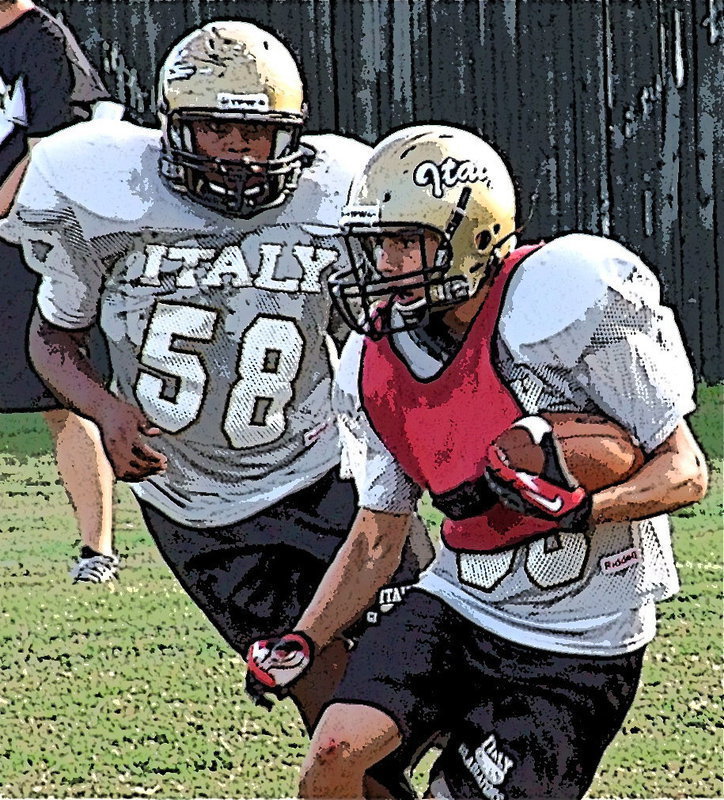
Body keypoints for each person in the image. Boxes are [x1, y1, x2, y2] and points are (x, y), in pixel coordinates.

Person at [1, 20, 431, 797]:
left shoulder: (340, 193)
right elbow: (52, 335)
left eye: (256, 132)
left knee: (436, 670)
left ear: (291, 134)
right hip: (198, 508)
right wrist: (105, 410)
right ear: (173, 127)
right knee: (329, 704)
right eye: (214, 128)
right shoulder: (106, 190)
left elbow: (382, 340)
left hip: (326, 470)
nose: (236, 150)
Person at [245, 124, 709, 799]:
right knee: (338, 748)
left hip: (578, 642)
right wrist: (305, 638)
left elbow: (685, 471)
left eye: (409, 240)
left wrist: (585, 508)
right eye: (381, 243)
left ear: (472, 232)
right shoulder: (374, 360)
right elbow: (379, 534)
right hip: (460, 603)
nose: (389, 262)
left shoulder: (562, 299)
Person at [0, 0, 119, 582]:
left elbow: (55, 138)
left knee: (60, 399)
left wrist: (4, 200)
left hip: (27, 240)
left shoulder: (41, 38)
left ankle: (96, 551)